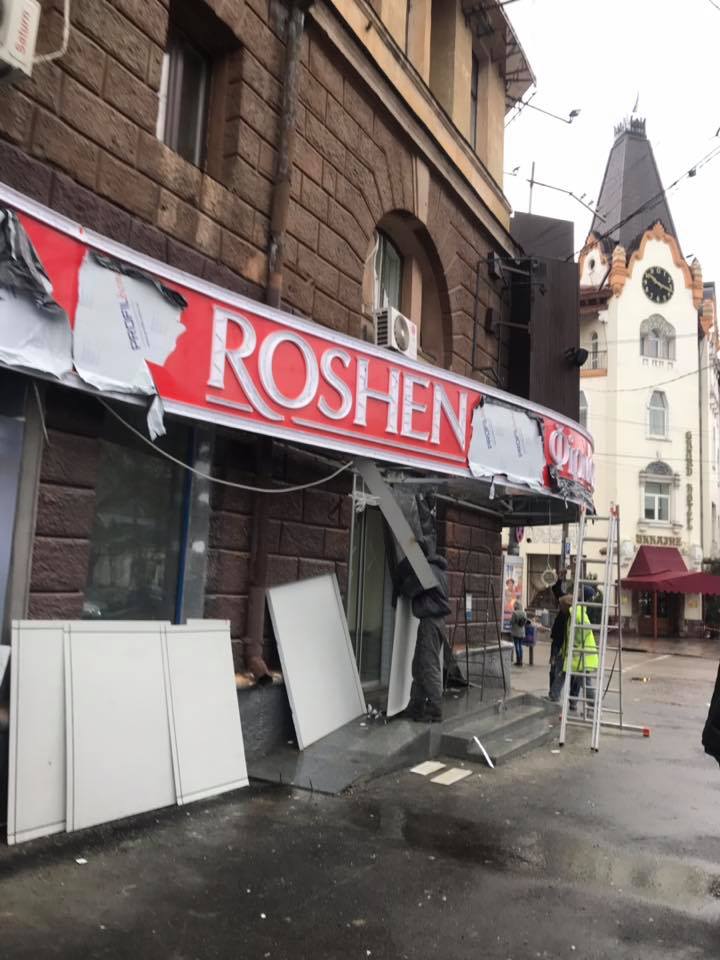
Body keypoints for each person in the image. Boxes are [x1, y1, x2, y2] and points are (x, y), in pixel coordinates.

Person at [406, 553, 451, 722]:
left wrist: (403, 578)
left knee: (428, 664)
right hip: (436, 621)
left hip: (430, 622)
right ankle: (416, 705)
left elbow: (410, 589)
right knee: (420, 664)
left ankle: (435, 708)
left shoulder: (428, 570)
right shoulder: (441, 571)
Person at [550, 593, 599, 710]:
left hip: (581, 655)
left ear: (566, 606)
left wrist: (575, 644)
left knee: (584, 682)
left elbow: (585, 630)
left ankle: (593, 705)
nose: (560, 608)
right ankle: (554, 695)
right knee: (562, 673)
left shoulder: (576, 615)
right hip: (577, 654)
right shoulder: (572, 615)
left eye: (561, 606)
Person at [548, 578, 569, 700]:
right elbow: (556, 590)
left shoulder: (569, 613)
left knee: (558, 670)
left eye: (561, 604)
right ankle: (552, 693)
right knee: (554, 669)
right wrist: (560, 578)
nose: (559, 605)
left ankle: (554, 694)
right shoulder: (564, 608)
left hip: (561, 644)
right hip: (556, 643)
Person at [510, 600, 527, 667]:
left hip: (516, 632)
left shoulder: (515, 613)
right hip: (522, 632)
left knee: (517, 645)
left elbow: (511, 622)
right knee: (520, 646)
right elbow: (525, 621)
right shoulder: (524, 613)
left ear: (516, 606)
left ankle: (518, 661)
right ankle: (521, 660)